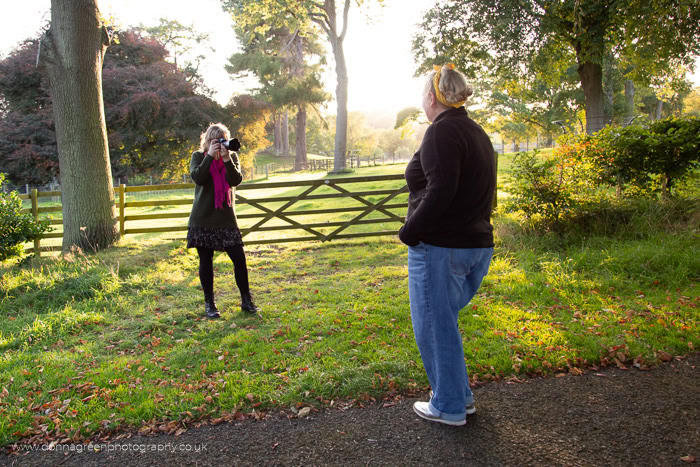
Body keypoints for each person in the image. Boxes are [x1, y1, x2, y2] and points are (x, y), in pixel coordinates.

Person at [399, 64, 496, 426]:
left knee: (433, 326)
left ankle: (449, 406)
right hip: (474, 245)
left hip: (441, 246)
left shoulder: (441, 132)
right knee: (445, 325)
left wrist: (410, 231)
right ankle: (460, 397)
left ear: (430, 96)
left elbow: (441, 192)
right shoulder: (475, 131)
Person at [187, 123, 260, 318]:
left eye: (223, 139)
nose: (221, 144)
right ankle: (210, 304)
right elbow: (198, 178)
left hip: (226, 219)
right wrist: (210, 155)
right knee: (206, 261)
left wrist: (227, 158)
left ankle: (246, 301)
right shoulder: (198, 156)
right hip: (202, 218)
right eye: (216, 140)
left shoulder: (232, 156)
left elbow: (235, 180)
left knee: (239, 259)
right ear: (208, 141)